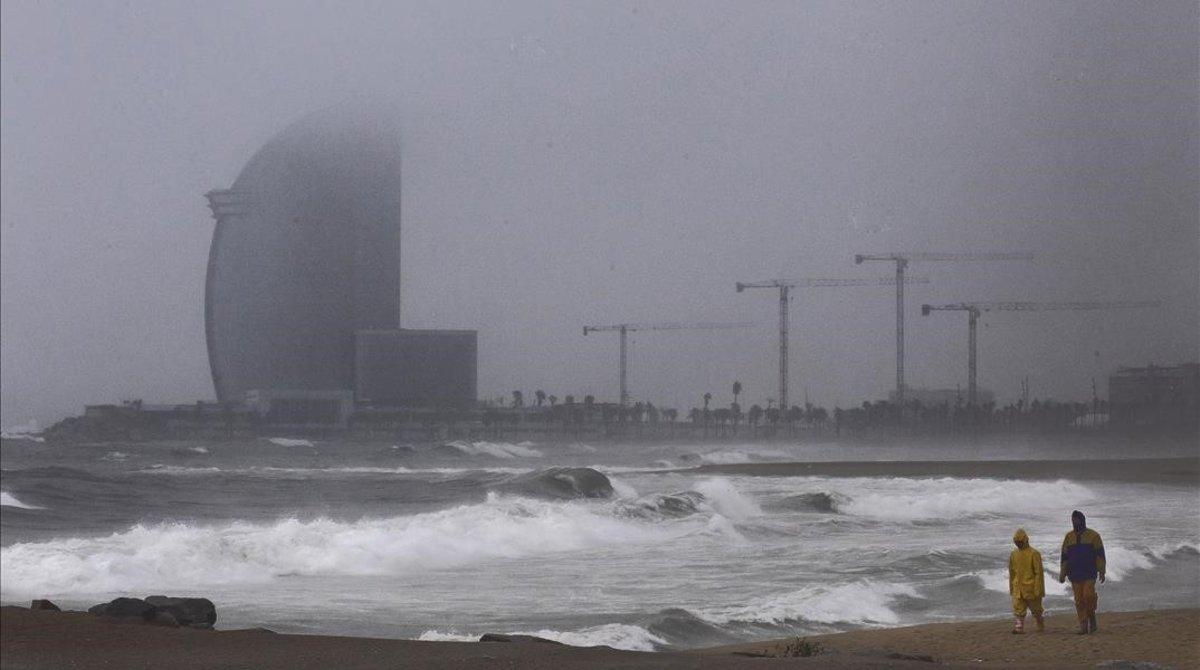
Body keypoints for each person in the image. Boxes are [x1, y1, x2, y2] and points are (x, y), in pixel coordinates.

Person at [1059, 510, 1106, 634]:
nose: (1075, 522)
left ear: (1082, 520)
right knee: (1079, 601)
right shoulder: (1068, 537)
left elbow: (1100, 555)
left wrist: (1101, 571)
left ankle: (1092, 616)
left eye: (1077, 520)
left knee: (1088, 596)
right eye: (1073, 520)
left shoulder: (1093, 536)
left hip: (1089, 573)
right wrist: (1062, 573)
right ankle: (1083, 626)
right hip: (1074, 574)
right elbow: (1064, 557)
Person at [1008, 528, 1045, 634]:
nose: (1018, 544)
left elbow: (1039, 573)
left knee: (1036, 609)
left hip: (1031, 587)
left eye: (1020, 541)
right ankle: (1019, 627)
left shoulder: (1034, 553)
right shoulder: (1013, 554)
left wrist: (1039, 588)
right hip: (1018, 587)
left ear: (1025, 540)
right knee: (1018, 608)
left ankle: (1040, 623)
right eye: (1016, 542)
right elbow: (1012, 572)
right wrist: (1012, 587)